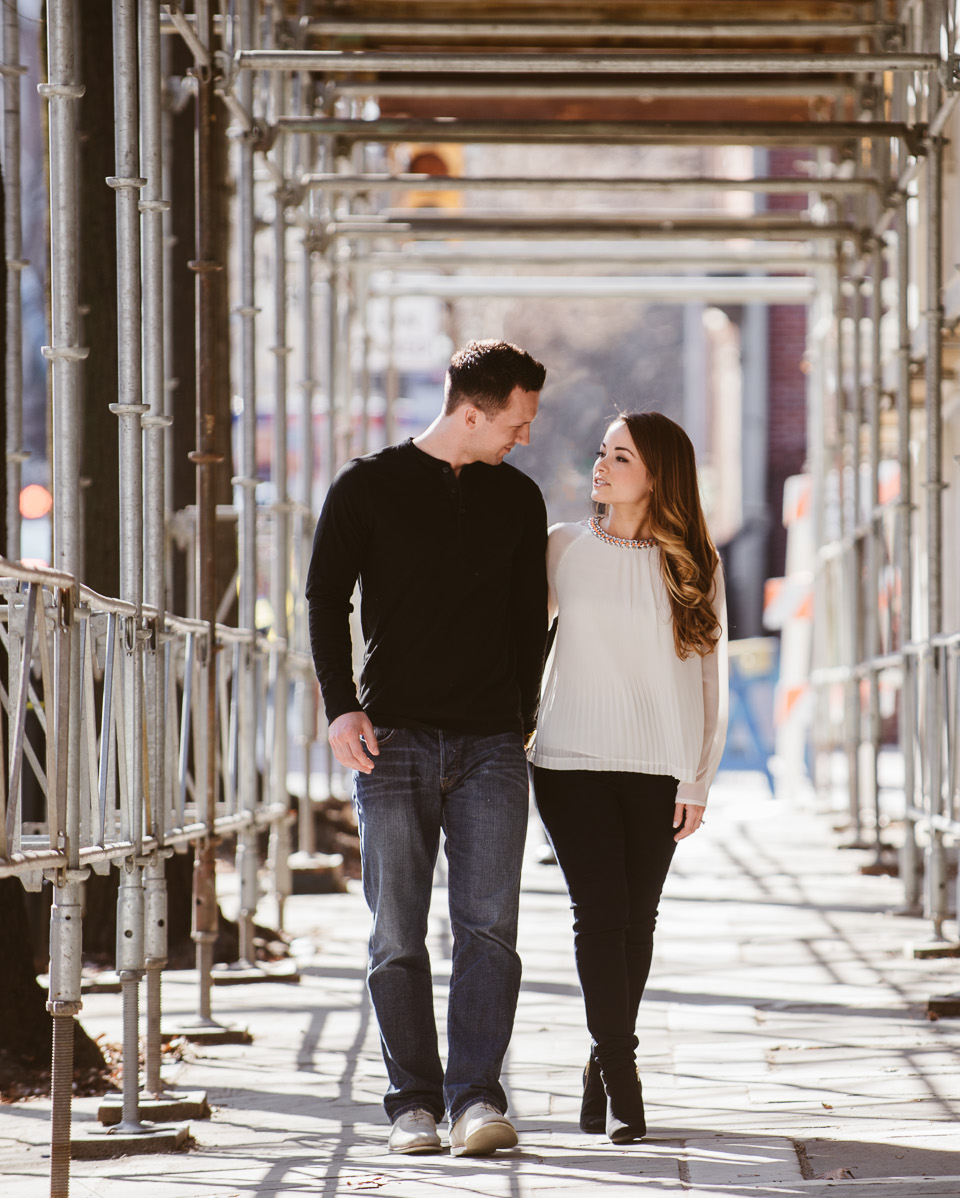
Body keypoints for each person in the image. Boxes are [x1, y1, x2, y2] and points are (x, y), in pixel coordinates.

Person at [305, 339, 548, 1158]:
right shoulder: (365, 487)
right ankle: (411, 1103)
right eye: (516, 422)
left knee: (490, 929)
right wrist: (340, 708)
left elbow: (527, 623)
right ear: (470, 413)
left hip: (491, 744)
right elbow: (323, 597)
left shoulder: (518, 500)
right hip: (392, 738)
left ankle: (477, 1098)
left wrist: (521, 719)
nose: (524, 437)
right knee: (396, 932)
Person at [528, 411, 728, 1144]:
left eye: (621, 457)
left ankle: (600, 1064)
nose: (601, 467)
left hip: (659, 768)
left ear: (657, 475)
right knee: (599, 915)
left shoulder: (694, 560)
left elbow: (711, 675)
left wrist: (697, 778)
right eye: (602, 453)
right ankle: (624, 1076)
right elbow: (517, 640)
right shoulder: (562, 548)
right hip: (569, 760)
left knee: (636, 923)